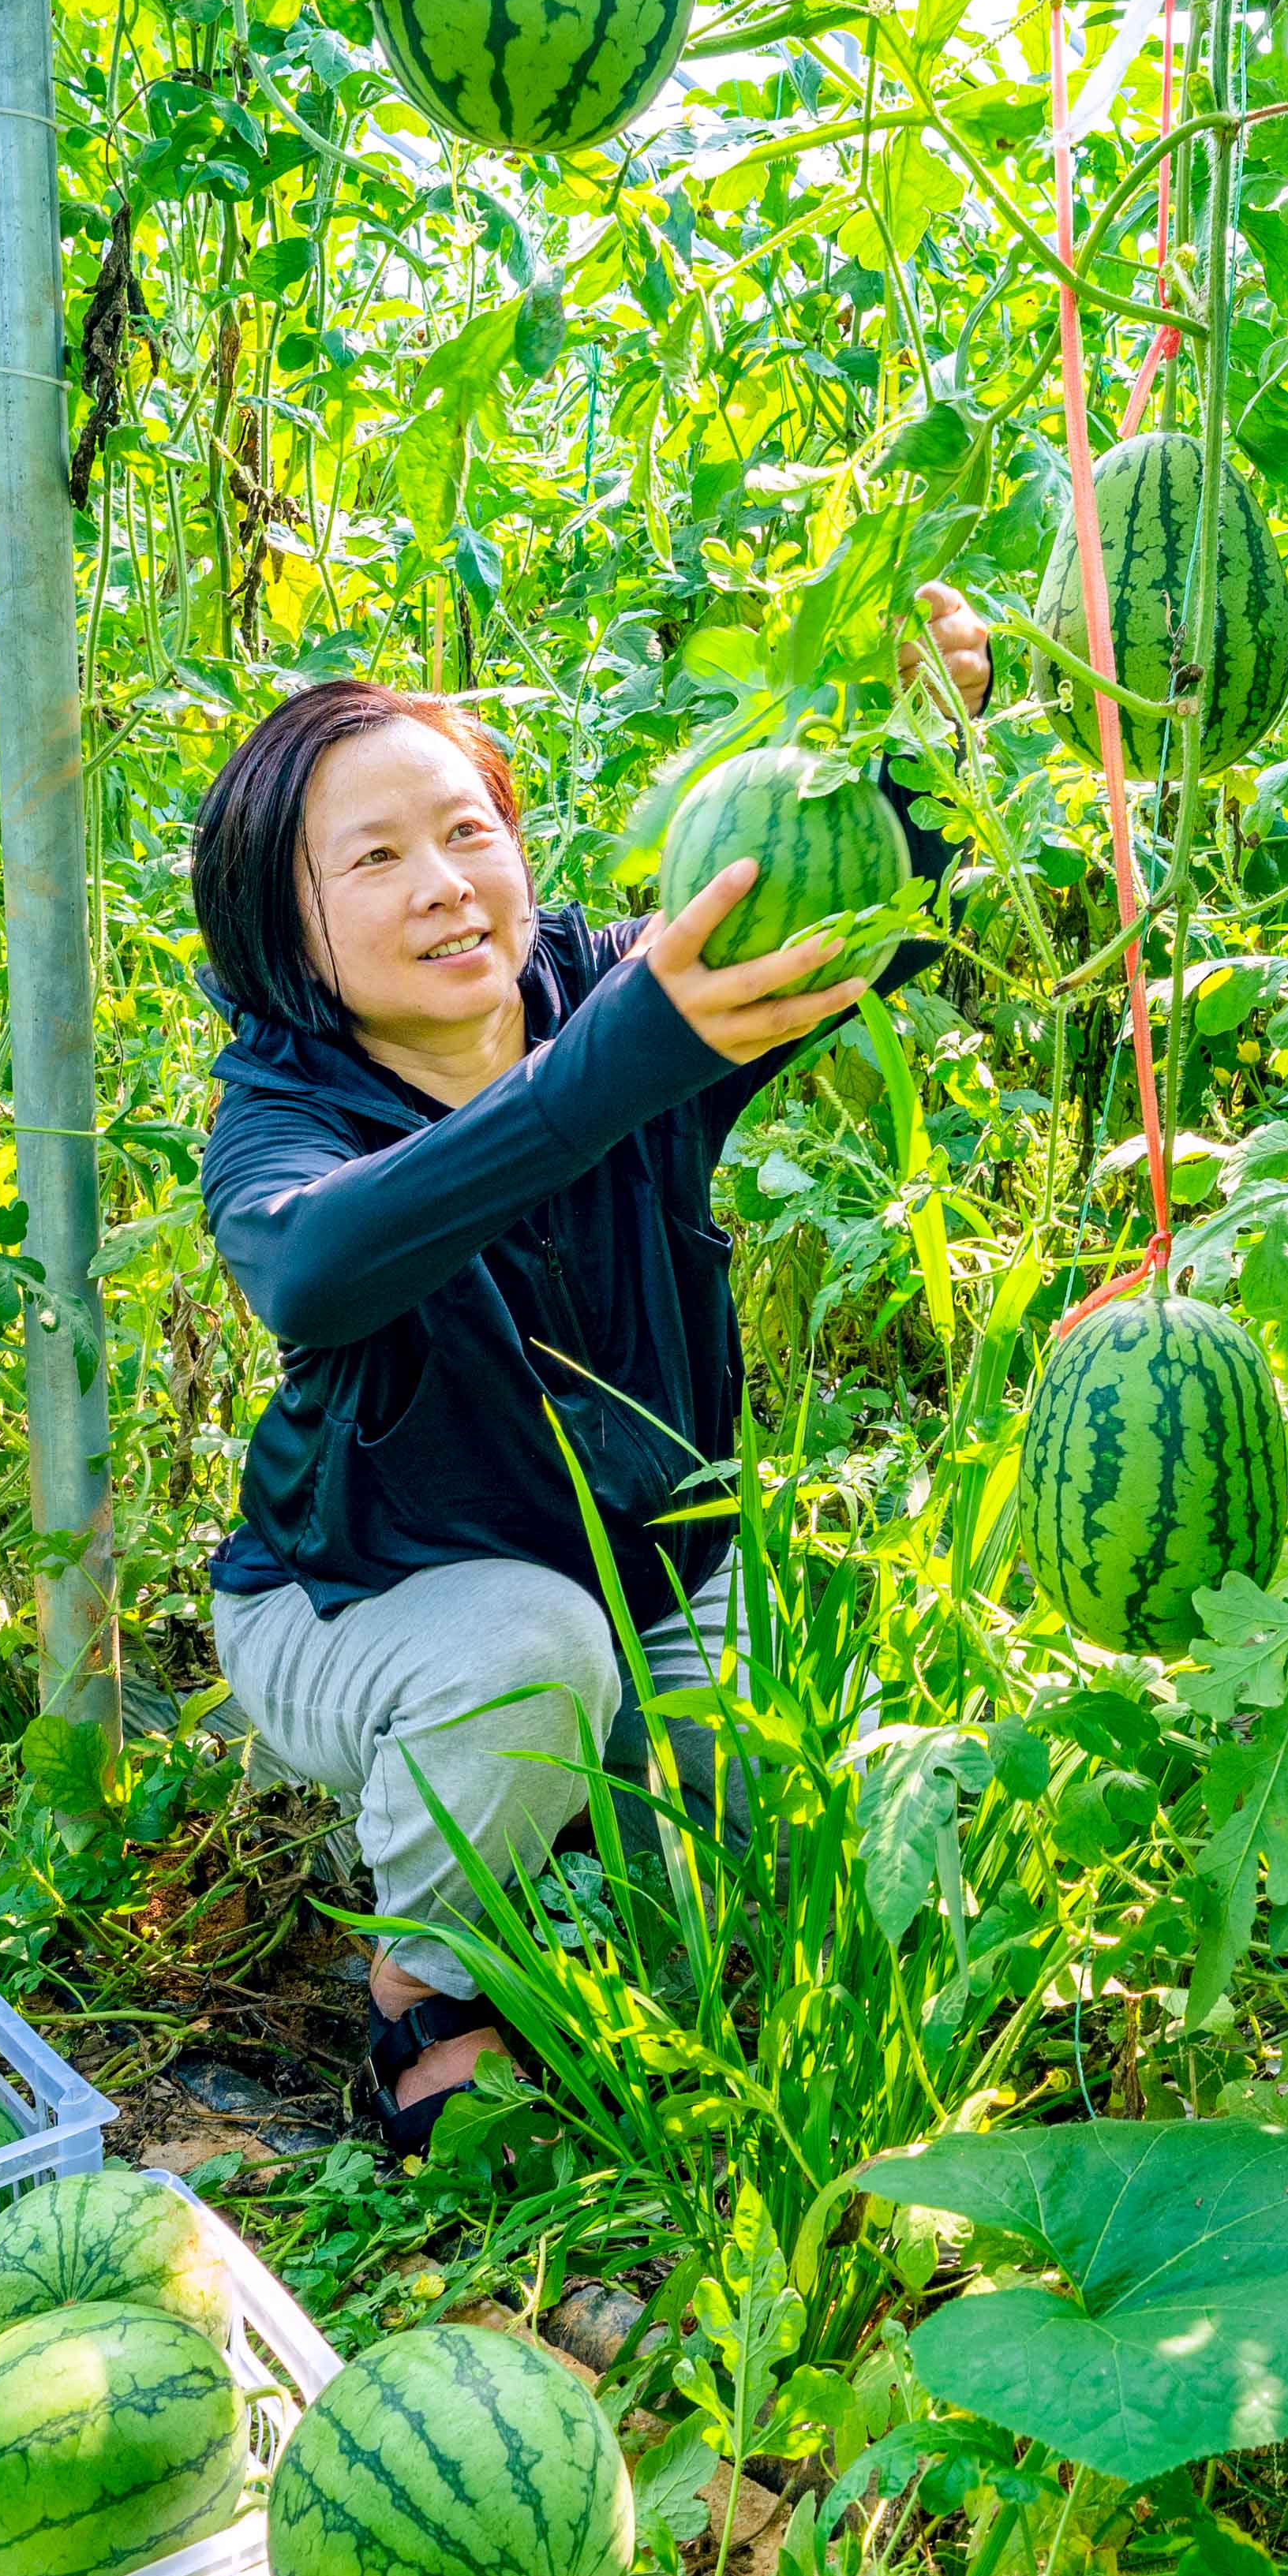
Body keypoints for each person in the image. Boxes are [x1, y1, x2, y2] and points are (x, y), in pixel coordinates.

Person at [194, 588, 995, 2148]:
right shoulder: (281, 1120)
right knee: (529, 1649)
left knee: (782, 1826)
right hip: (360, 1608)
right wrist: (605, 1074)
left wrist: (914, 752)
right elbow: (314, 1261)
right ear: (280, 928)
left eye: (466, 831)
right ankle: (428, 1985)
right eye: (373, 858)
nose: (445, 886)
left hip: (657, 1579)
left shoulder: (621, 994)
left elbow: (839, 922)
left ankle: (567, 1846)